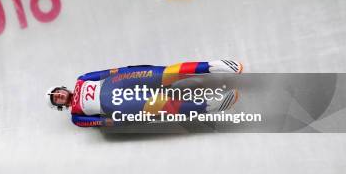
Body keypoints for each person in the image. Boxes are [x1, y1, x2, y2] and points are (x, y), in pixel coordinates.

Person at [46, 60, 243, 127]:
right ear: (60, 105)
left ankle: (213, 66)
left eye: (57, 93)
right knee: (162, 105)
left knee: (168, 73)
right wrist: (121, 120)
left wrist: (125, 71)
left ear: (62, 88)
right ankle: (209, 106)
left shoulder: (81, 79)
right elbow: (98, 122)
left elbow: (104, 73)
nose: (60, 96)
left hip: (120, 81)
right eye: (57, 99)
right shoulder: (76, 117)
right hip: (118, 106)